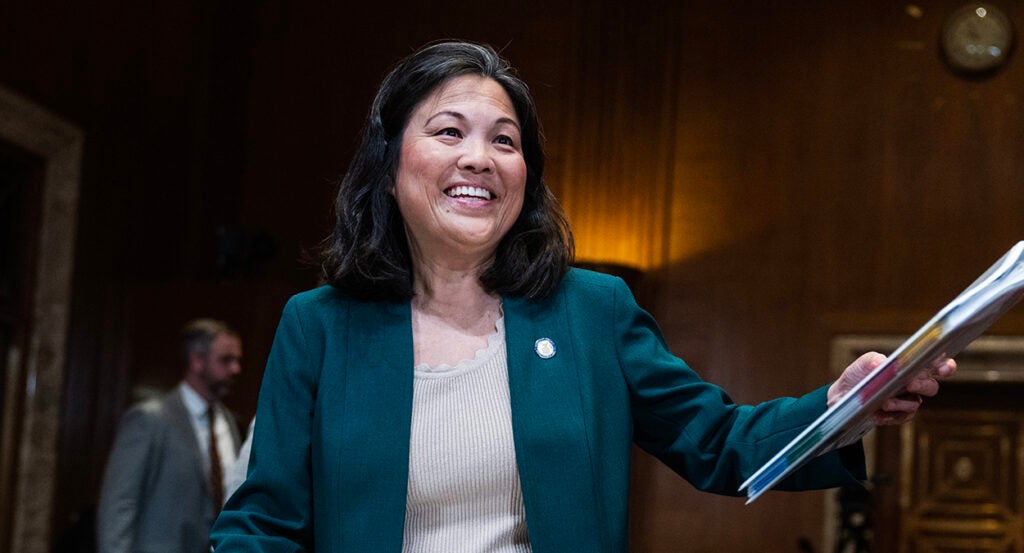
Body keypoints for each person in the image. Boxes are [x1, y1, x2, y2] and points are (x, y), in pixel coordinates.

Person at [210, 41, 955, 552]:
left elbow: (720, 443)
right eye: (448, 131)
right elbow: (263, 519)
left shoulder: (592, 310)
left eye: (506, 141)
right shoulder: (320, 325)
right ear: (391, 160)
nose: (479, 157)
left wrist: (840, 410)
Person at [98, 318, 244, 553]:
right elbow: (119, 505)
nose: (236, 369)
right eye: (226, 360)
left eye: (237, 360)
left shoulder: (229, 422)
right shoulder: (149, 420)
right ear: (197, 361)